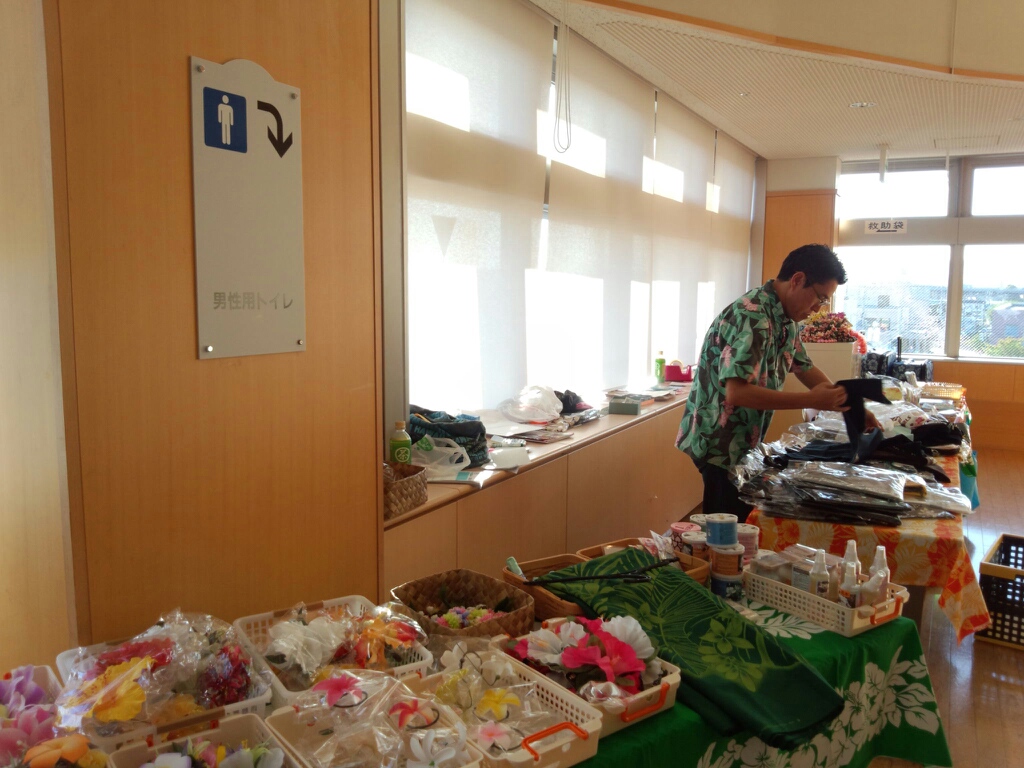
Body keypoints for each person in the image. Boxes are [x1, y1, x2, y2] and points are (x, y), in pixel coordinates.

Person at [676, 243, 874, 522]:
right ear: (797, 280)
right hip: (719, 441)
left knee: (741, 521)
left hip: (743, 439)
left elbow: (804, 367)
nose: (817, 309)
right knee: (725, 529)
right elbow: (737, 393)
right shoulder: (753, 316)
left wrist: (851, 406)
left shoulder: (786, 318)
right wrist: (812, 400)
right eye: (819, 298)